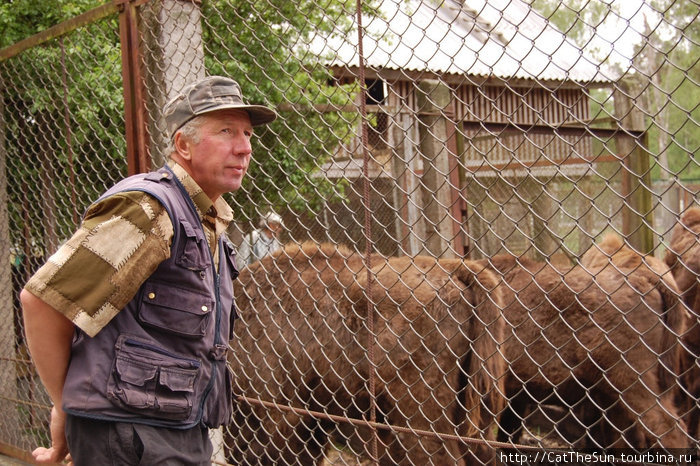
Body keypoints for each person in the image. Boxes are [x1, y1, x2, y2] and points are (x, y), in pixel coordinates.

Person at [20, 75, 276, 466]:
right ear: (183, 145)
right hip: (131, 438)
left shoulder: (206, 220)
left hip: (170, 430)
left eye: (247, 134)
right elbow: (44, 302)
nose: (244, 148)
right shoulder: (150, 211)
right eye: (226, 131)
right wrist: (64, 405)